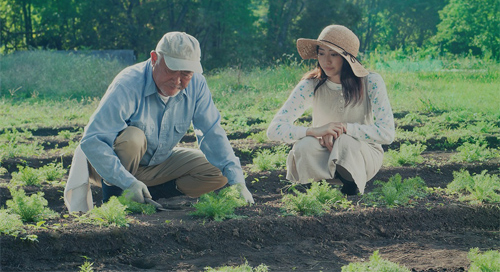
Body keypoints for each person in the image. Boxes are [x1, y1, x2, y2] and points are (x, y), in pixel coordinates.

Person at [64, 31, 253, 212]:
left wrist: (238, 182)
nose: (177, 80)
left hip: (156, 164)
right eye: (171, 70)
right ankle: (116, 199)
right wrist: (126, 181)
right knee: (133, 138)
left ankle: (146, 196)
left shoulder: (198, 85)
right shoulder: (129, 84)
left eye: (186, 73)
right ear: (154, 59)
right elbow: (93, 139)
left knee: (220, 172)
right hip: (109, 167)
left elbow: (212, 132)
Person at [267, 25, 395, 195]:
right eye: (321, 53)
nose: (326, 61)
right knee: (304, 145)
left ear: (347, 58)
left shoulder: (370, 82)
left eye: (334, 54)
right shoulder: (311, 84)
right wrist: (314, 131)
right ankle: (311, 189)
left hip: (360, 155)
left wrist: (344, 128)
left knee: (344, 142)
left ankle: (351, 188)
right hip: (323, 153)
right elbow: (274, 130)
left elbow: (387, 133)